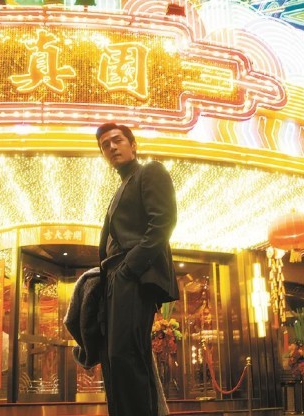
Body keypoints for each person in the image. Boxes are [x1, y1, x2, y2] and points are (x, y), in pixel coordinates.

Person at [96, 123, 179, 416]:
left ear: (133, 145)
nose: (111, 147)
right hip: (114, 279)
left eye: (117, 140)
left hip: (134, 275)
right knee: (114, 359)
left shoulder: (150, 171)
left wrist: (129, 268)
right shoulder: (120, 187)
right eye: (105, 145)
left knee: (126, 355)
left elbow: (163, 222)